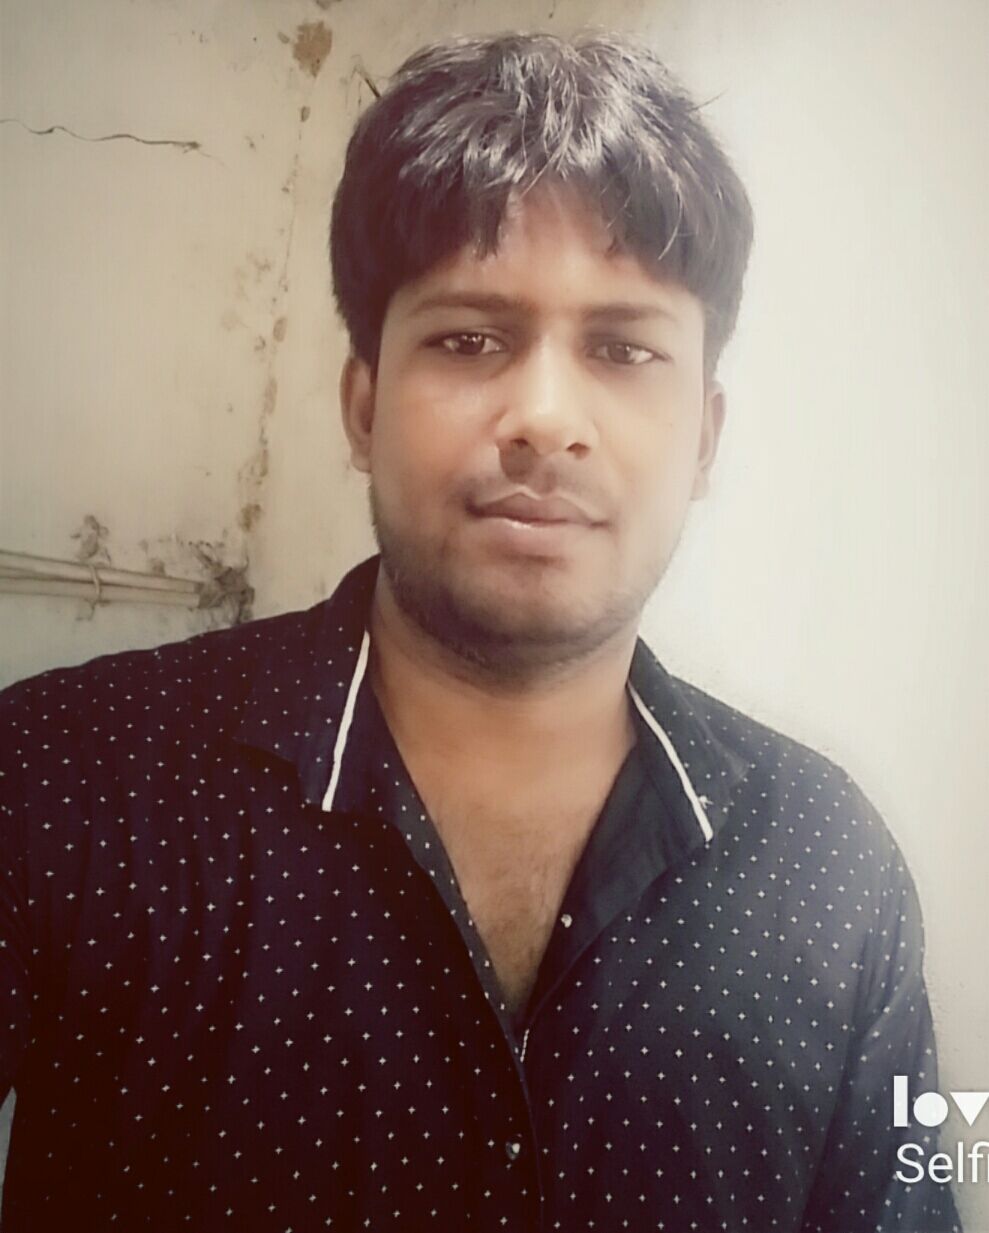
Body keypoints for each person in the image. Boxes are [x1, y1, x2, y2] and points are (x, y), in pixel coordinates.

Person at [0, 31, 962, 1233]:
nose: (544, 418)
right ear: (362, 406)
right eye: (468, 338)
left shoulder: (829, 869)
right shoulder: (67, 780)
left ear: (704, 438)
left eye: (622, 349)